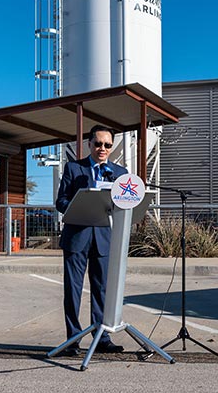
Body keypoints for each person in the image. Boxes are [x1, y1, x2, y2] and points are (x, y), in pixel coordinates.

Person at [54, 124, 127, 355]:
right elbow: (61, 201)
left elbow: (125, 205)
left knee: (101, 290)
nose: (102, 148)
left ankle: (102, 338)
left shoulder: (120, 173)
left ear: (111, 147)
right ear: (89, 144)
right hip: (77, 237)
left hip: (104, 239)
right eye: (98, 144)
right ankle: (73, 340)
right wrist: (77, 206)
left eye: (107, 145)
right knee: (73, 290)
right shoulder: (74, 168)